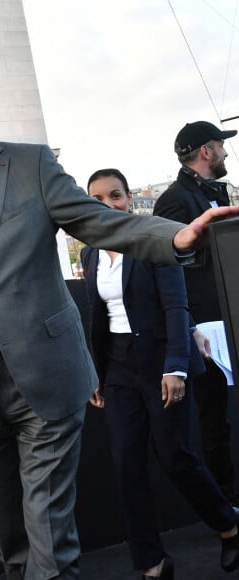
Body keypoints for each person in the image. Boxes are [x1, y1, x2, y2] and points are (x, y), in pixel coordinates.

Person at [0, 57, 239, 580]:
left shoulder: (30, 165)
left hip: (47, 376)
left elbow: (96, 222)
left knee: (48, 528)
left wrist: (173, 237)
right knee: (12, 536)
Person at [82, 168, 239, 579]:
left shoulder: (152, 239)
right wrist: (94, 372)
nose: (108, 204)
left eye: (115, 195)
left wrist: (175, 367)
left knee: (176, 458)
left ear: (129, 198)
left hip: (160, 362)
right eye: (97, 198)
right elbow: (98, 319)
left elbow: (176, 306)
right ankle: (152, 562)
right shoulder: (91, 252)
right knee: (126, 463)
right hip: (116, 366)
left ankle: (229, 525)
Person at [153, 121, 239, 508]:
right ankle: (227, 503)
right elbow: (166, 265)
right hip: (207, 324)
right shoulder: (174, 199)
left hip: (231, 313)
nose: (225, 153)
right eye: (221, 146)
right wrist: (189, 326)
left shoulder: (217, 191)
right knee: (214, 418)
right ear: (206, 150)